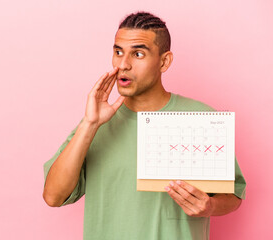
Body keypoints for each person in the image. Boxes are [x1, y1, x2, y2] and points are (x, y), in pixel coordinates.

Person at [43, 12, 246, 240]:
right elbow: (53, 196)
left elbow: (233, 196)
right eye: (118, 52)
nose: (123, 65)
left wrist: (209, 206)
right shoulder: (94, 123)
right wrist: (90, 123)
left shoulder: (202, 118)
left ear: (164, 61)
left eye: (138, 54)